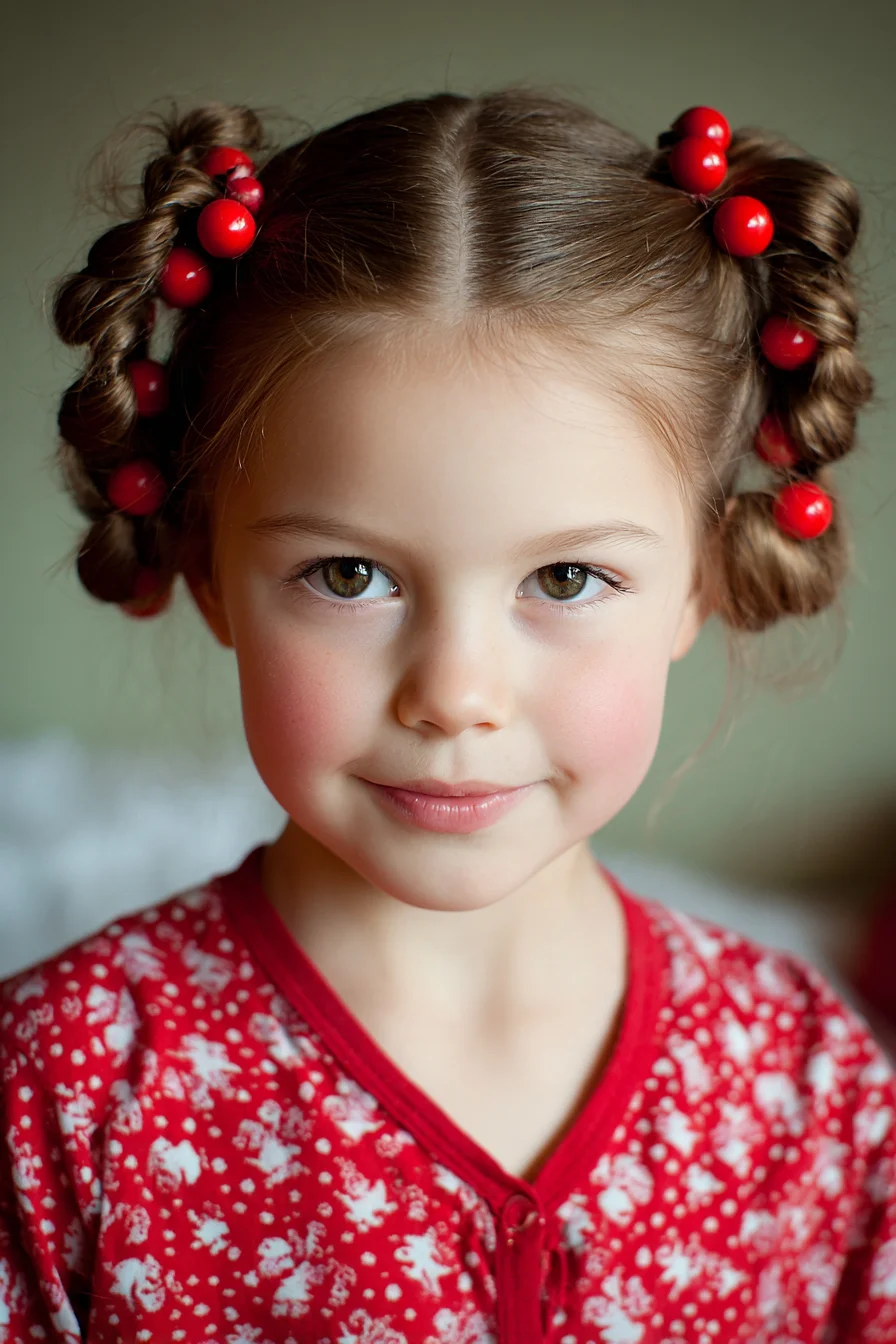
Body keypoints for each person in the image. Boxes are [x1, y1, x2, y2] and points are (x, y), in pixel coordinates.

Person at [1, 88, 893, 1344]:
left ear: (698, 580)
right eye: (349, 576)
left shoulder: (812, 1091)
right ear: (206, 571)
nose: (456, 694)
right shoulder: (60, 1090)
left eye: (565, 579)